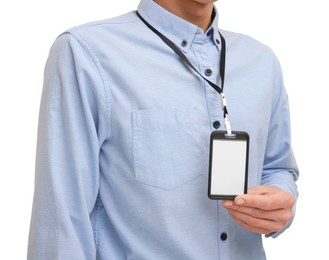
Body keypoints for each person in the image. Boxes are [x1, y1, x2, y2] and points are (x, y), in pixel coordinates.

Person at [27, 0, 299, 259]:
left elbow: (277, 168)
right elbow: (61, 220)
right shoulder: (86, 52)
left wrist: (279, 201)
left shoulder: (261, 61)